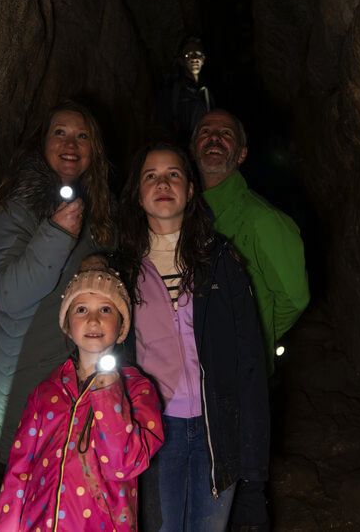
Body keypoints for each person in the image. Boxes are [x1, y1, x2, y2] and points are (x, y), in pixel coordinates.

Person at [118, 143, 270, 531]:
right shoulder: (120, 271)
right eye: (150, 175)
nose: (163, 183)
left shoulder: (220, 261)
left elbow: (249, 361)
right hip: (153, 430)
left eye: (174, 174)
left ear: (190, 189)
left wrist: (254, 467)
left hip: (216, 428)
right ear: (137, 193)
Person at [0, 99, 115, 463]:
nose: (71, 144)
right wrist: (56, 234)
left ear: (93, 150)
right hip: (25, 382)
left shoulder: (100, 212)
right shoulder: (16, 206)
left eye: (82, 136)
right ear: (42, 142)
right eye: (60, 133)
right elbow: (6, 292)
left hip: (76, 380)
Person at [0, 260, 165, 531]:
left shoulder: (138, 390)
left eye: (105, 309)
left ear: (121, 327)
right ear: (66, 325)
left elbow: (124, 466)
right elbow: (18, 471)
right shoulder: (46, 391)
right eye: (81, 309)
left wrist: (109, 394)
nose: (93, 320)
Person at [190, 109, 310, 376]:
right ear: (192, 148)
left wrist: (255, 335)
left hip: (240, 376)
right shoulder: (178, 215)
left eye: (226, 134)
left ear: (241, 154)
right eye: (206, 132)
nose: (214, 139)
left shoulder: (262, 220)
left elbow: (294, 298)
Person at [155, 37, 215, 147]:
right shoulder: (171, 92)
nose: (194, 59)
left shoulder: (210, 93)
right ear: (181, 61)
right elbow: (162, 126)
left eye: (198, 55)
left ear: (203, 60)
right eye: (189, 55)